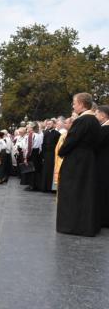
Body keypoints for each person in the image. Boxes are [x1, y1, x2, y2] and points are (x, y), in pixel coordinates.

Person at [57, 93, 101, 237]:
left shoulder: (82, 120)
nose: (73, 105)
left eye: (74, 103)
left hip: (76, 161)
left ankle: (73, 225)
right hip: (88, 160)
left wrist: (61, 152)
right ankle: (87, 225)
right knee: (85, 193)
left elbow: (70, 141)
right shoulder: (94, 120)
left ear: (82, 104)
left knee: (73, 192)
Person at [95, 105, 109, 227]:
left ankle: (104, 219)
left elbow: (96, 144)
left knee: (103, 191)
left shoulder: (105, 129)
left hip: (104, 164)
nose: (95, 116)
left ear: (103, 115)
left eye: (97, 113)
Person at [40, 119, 61, 192]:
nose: (48, 125)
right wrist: (42, 155)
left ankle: (51, 188)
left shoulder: (57, 134)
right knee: (45, 170)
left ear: (54, 124)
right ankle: (44, 187)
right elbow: (42, 144)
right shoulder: (45, 133)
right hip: (46, 154)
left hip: (53, 154)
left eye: (50, 124)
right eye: (47, 124)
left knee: (51, 171)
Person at [53, 117, 73, 189]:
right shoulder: (64, 134)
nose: (64, 125)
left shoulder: (70, 134)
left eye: (66, 123)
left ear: (71, 123)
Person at [23, 122, 43, 191]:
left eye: (28, 127)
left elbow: (29, 147)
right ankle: (36, 185)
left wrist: (26, 157)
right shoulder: (39, 135)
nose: (27, 128)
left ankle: (31, 186)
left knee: (30, 170)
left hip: (32, 154)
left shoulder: (31, 135)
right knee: (36, 170)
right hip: (37, 153)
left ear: (32, 128)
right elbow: (40, 147)